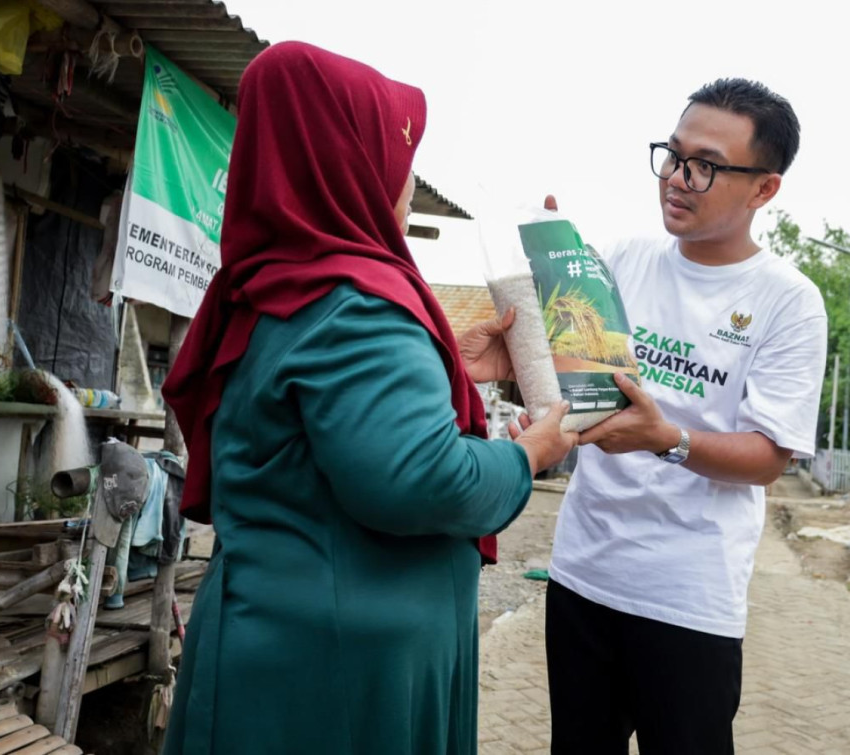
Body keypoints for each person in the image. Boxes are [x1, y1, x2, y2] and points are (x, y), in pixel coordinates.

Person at [160, 42, 576, 755]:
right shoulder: (358, 303)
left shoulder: (277, 280)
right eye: (399, 152)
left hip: (291, 644)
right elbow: (424, 481)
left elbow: (318, 412)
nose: (407, 178)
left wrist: (447, 365)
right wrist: (527, 456)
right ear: (347, 159)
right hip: (339, 683)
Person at [537, 79, 828, 754]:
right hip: (583, 573)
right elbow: (572, 389)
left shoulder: (787, 301)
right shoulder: (621, 261)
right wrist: (548, 279)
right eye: (672, 155)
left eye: (706, 165)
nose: (676, 177)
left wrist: (667, 440)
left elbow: (769, 457)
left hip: (688, 598)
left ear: (764, 189)